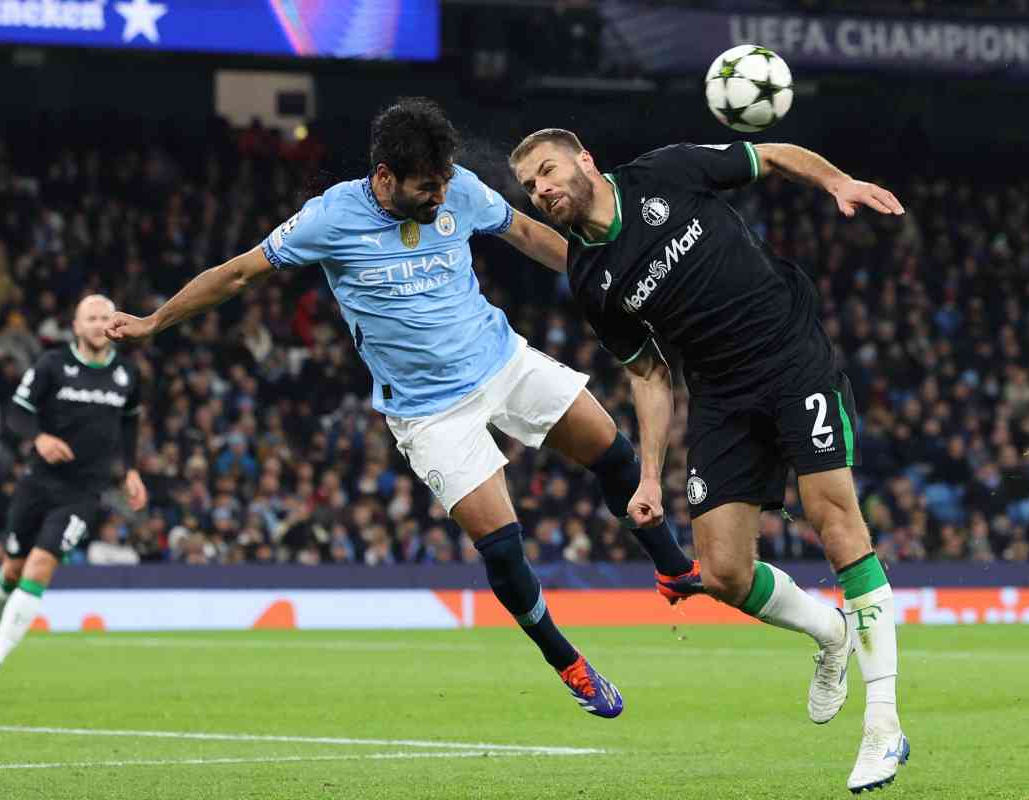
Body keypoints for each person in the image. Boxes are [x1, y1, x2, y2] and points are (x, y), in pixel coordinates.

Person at [106, 98, 703, 719]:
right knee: (503, 545)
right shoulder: (329, 219)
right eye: (428, 185)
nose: (443, 194)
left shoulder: (457, 187)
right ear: (385, 177)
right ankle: (568, 662)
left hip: (500, 360)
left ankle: (670, 566)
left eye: (446, 179)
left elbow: (525, 233)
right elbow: (237, 275)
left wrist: (608, 275)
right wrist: (154, 323)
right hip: (429, 411)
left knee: (613, 452)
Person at [509, 130, 908, 792]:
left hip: (789, 354)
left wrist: (836, 181)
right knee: (722, 572)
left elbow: (774, 154)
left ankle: (884, 725)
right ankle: (830, 633)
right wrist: (648, 476)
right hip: (719, 395)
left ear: (584, 159)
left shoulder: (665, 171)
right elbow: (648, 374)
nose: (541, 189)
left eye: (547, 171)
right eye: (529, 186)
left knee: (833, 516)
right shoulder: (589, 278)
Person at [0, 294, 147, 694]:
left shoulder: (127, 374)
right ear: (77, 326)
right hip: (38, 482)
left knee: (40, 567)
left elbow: (131, 423)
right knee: (12, 569)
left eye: (105, 316)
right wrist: (40, 437)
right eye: (91, 317)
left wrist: (132, 469)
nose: (99, 323)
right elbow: (17, 412)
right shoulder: (52, 365)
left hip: (83, 492)